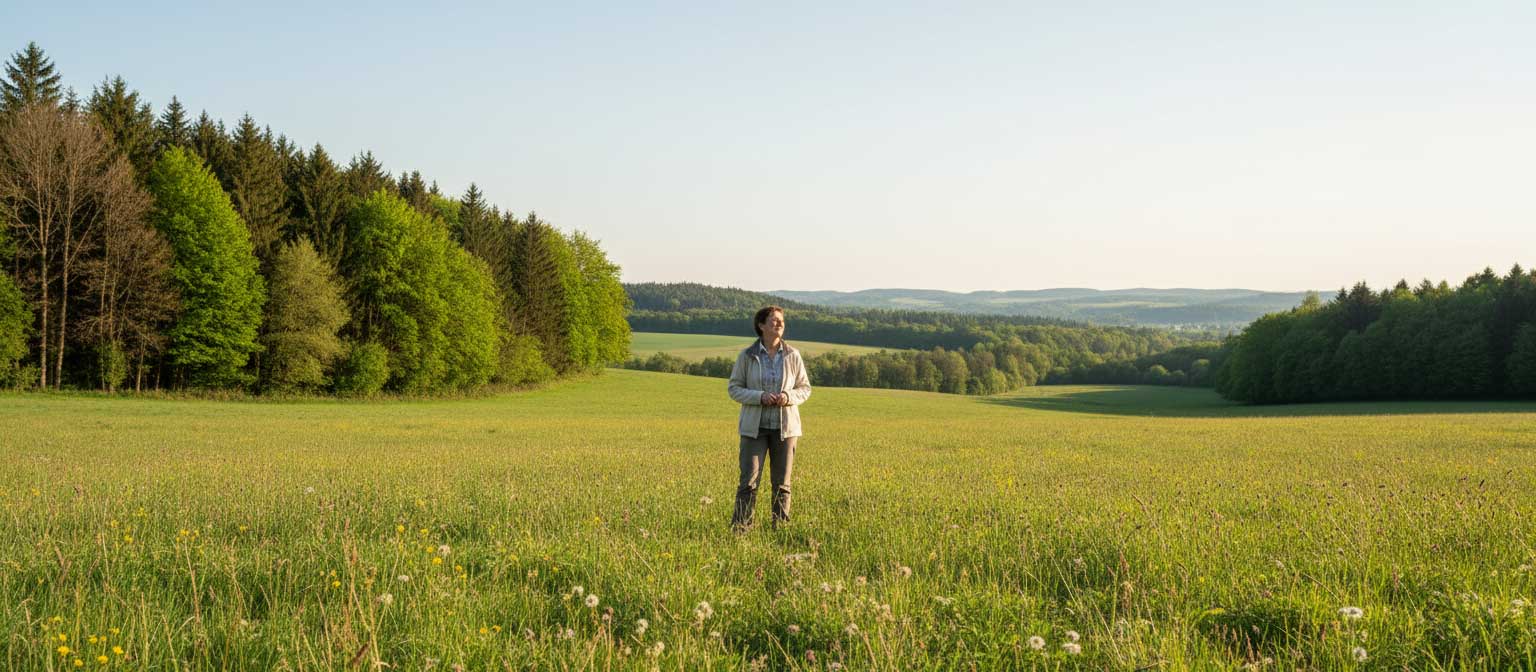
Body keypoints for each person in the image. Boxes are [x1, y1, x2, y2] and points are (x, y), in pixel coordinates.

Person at [727, 305, 812, 530]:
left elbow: (805, 388)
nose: (779, 323)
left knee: (782, 485)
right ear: (761, 325)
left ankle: (780, 530)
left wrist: (787, 396)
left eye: (781, 320)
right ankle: (741, 530)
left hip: (786, 429)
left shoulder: (793, 355)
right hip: (754, 429)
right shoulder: (747, 356)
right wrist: (760, 397)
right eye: (774, 320)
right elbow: (734, 389)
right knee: (748, 483)